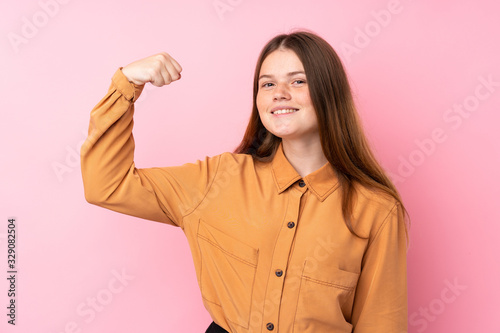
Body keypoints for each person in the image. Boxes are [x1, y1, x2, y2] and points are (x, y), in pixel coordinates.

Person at [81, 30, 409, 333]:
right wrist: (127, 84)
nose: (279, 94)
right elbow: (106, 185)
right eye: (267, 85)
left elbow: (381, 324)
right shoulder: (216, 181)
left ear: (329, 93)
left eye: (297, 82)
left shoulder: (376, 210)